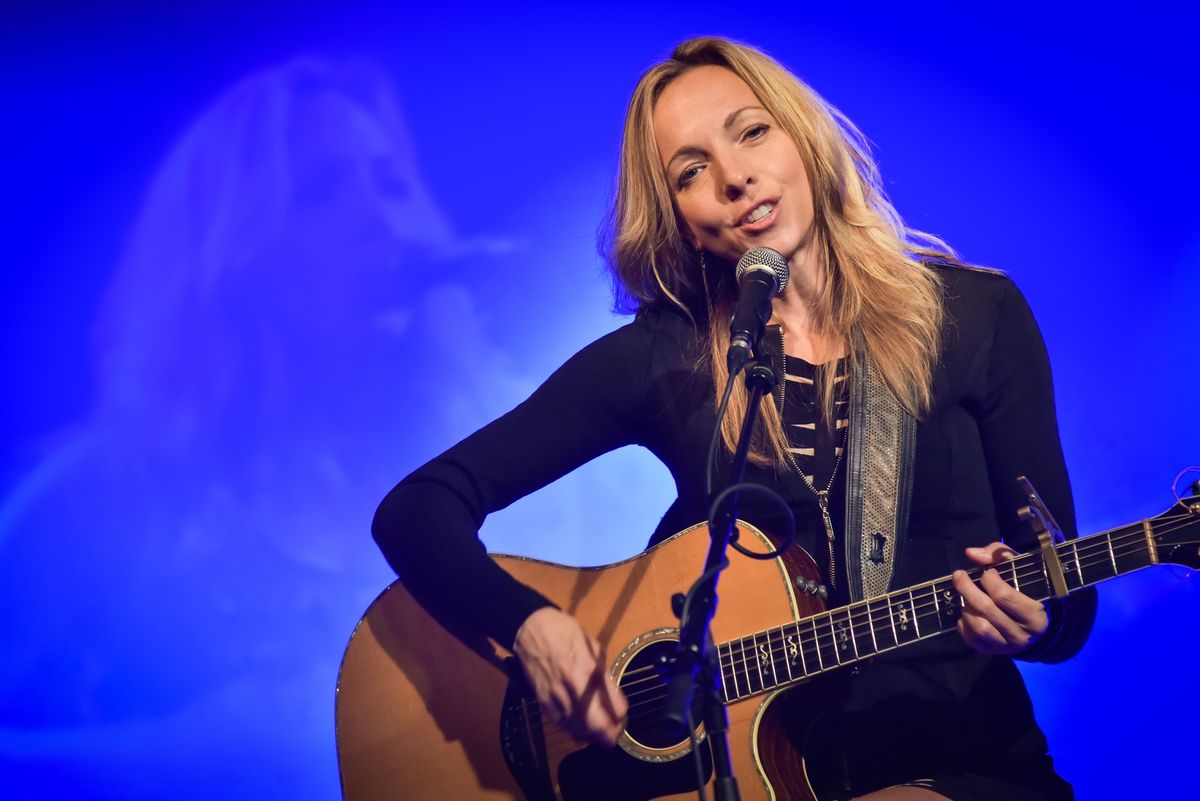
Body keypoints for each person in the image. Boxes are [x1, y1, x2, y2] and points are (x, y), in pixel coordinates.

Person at [372, 37, 1096, 801]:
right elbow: (417, 508)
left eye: (751, 131)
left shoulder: (975, 319)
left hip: (959, 762)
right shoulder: (667, 356)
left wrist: (1036, 620)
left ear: (802, 137)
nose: (734, 176)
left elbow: (1069, 596)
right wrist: (527, 627)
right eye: (691, 171)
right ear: (680, 219)